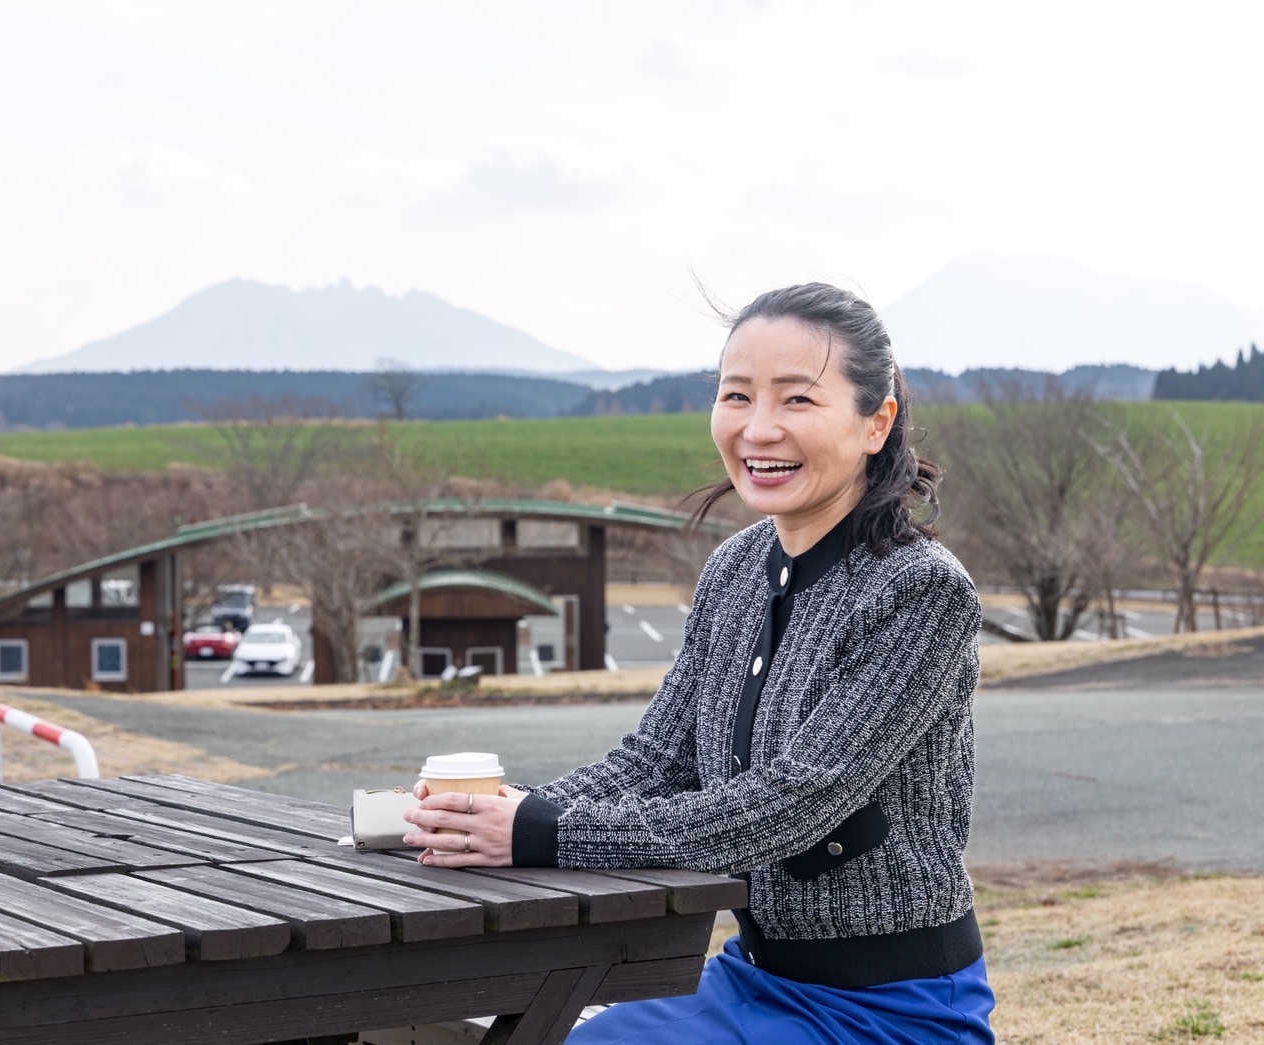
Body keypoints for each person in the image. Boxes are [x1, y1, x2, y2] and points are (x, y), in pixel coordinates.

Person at [403, 283, 995, 1042]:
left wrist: (542, 831)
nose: (758, 428)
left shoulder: (920, 592)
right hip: (753, 975)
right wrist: (504, 810)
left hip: (895, 1006)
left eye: (797, 401)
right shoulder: (735, 567)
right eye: (736, 396)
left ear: (875, 422)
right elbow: (656, 757)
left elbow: (793, 803)